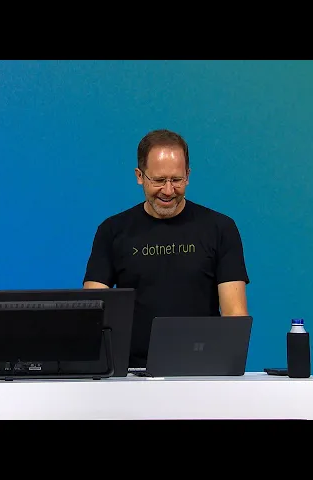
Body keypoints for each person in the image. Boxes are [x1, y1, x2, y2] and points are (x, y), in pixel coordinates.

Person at [83, 129, 249, 368]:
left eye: (177, 180)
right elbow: (94, 311)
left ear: (188, 175)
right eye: (159, 180)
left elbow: (235, 314)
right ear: (140, 176)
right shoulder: (112, 231)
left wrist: (228, 372)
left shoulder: (221, 229)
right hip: (131, 373)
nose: (169, 191)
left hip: (202, 370)